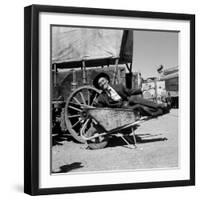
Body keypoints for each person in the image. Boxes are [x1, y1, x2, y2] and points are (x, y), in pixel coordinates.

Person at [93, 72, 170, 118]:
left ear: (107, 80)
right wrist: (94, 105)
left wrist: (141, 89)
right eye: (100, 83)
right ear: (99, 86)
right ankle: (160, 111)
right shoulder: (101, 97)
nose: (102, 83)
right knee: (140, 107)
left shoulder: (119, 87)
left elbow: (130, 91)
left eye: (103, 81)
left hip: (127, 100)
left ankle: (160, 106)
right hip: (122, 108)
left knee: (136, 99)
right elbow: (99, 107)